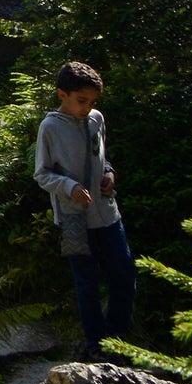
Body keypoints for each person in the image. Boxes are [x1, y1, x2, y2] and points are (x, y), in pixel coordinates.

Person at [34, 60, 134, 357]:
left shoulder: (96, 120)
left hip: (107, 213)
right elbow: (42, 174)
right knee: (87, 282)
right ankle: (95, 344)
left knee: (124, 274)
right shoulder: (50, 127)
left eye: (92, 102)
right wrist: (70, 187)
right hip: (73, 219)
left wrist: (110, 174)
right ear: (61, 94)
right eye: (81, 101)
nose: (87, 108)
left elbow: (102, 157)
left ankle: (117, 338)